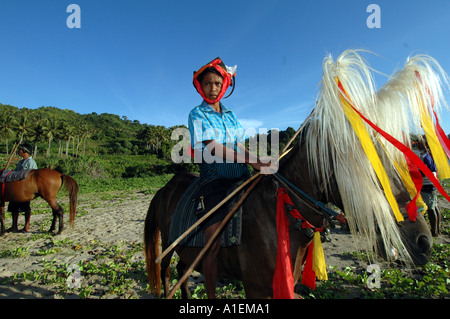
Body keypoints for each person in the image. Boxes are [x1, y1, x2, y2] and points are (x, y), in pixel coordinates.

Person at [188, 57, 277, 298]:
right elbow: (213, 148)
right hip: (215, 180)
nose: (213, 88)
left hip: (241, 175)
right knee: (212, 239)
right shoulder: (197, 114)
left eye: (217, 83)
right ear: (200, 86)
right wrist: (252, 161)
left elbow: (239, 146)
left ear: (224, 85)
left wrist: (259, 160)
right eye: (207, 83)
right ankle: (210, 297)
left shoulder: (231, 115)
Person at [7, 143, 38, 233]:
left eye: (20, 150)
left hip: (25, 189)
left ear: (24, 151)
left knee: (26, 207)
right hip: (16, 189)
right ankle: (14, 226)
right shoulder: (21, 162)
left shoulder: (31, 162)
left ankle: (26, 226)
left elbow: (32, 176)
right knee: (14, 207)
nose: (18, 151)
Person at [420, 144, 441, 236]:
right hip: (432, 183)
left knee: (430, 208)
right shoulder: (431, 157)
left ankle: (433, 231)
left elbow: (424, 172)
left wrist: (414, 174)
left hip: (426, 184)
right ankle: (437, 229)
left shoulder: (424, 157)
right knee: (434, 207)